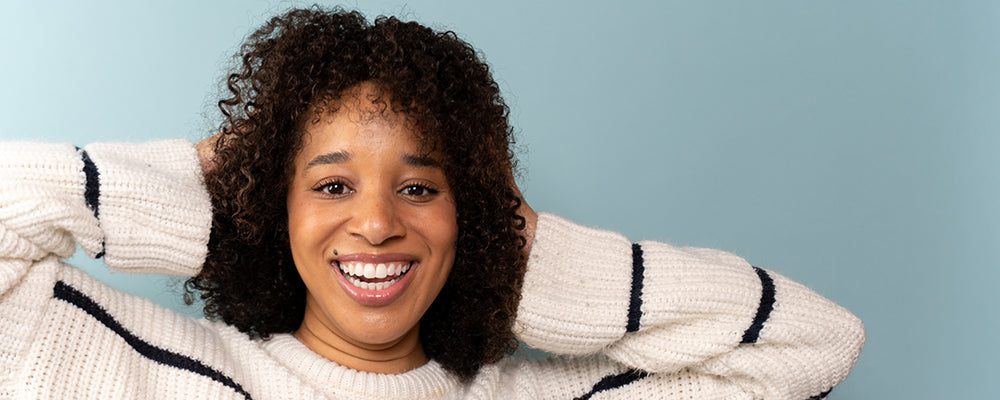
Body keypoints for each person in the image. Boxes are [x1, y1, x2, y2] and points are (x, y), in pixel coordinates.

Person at [0, 6, 864, 399]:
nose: (377, 224)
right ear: (272, 206)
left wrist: (527, 256)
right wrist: (200, 183)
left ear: (471, 216)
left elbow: (811, 343)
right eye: (332, 185)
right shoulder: (131, 367)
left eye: (420, 187)